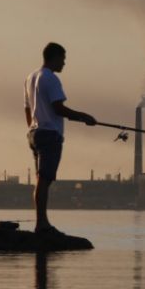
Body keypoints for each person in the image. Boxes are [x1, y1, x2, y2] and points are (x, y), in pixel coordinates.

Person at [25, 42, 96, 235]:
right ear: (54, 57)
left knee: (41, 179)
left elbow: (27, 108)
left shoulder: (31, 77)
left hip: (34, 133)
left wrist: (32, 127)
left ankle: (41, 222)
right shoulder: (51, 79)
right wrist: (84, 117)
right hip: (49, 134)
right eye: (63, 59)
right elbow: (59, 108)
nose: (64, 63)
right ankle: (42, 225)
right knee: (45, 179)